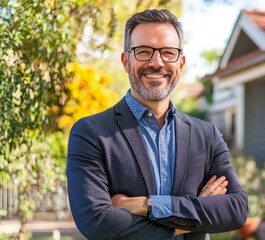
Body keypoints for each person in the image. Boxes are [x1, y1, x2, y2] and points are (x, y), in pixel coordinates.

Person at [66, 9, 248, 240]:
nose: (156, 63)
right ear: (125, 60)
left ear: (181, 63)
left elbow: (236, 210)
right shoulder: (91, 133)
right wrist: (193, 219)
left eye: (168, 53)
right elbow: (97, 222)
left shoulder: (206, 135)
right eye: (143, 52)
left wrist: (148, 205)